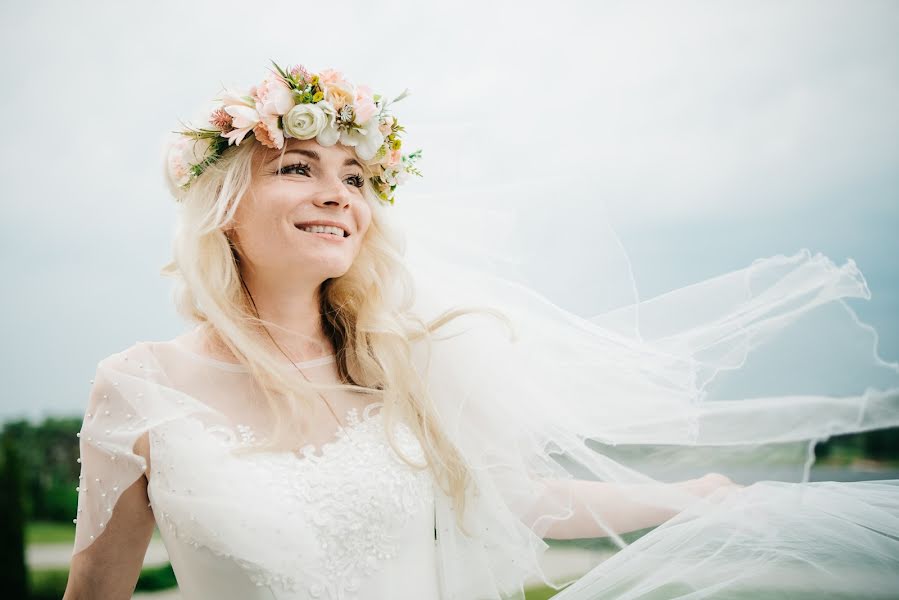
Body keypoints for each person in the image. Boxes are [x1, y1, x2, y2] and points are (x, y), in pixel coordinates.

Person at [63, 61, 899, 600]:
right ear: (222, 210)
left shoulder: (408, 361)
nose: (337, 195)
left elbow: (520, 498)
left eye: (354, 177)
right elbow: (98, 584)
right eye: (296, 168)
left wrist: (689, 498)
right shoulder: (138, 389)